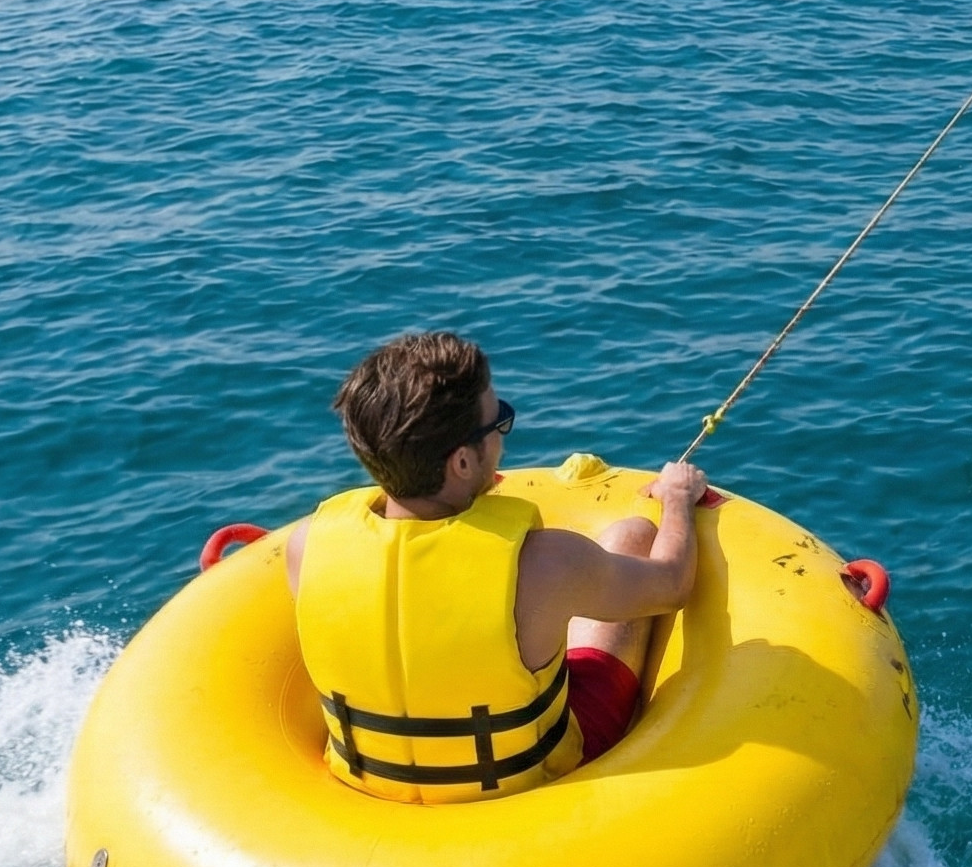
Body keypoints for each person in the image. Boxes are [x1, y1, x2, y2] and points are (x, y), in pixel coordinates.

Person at [284, 331, 709, 804]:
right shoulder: (547, 564)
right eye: (499, 421)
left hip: (375, 789)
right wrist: (675, 499)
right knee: (632, 537)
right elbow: (672, 584)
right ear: (463, 461)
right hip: (529, 786)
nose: (503, 434)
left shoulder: (306, 546)